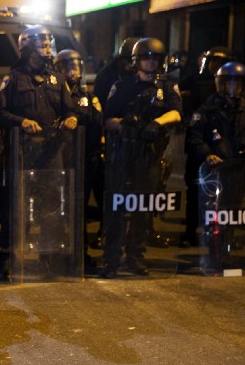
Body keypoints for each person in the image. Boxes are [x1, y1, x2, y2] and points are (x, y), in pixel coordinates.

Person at [0, 25, 78, 279]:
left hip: (52, 154)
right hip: (22, 154)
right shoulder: (13, 78)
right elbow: (0, 114)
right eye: (42, 43)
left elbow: (70, 110)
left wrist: (72, 119)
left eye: (48, 43)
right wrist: (22, 122)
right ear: (28, 46)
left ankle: (49, 258)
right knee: (16, 208)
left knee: (50, 207)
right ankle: (8, 260)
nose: (46, 47)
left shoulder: (57, 79)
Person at [100, 37, 182, 278]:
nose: (150, 62)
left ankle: (135, 258)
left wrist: (158, 122)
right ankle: (111, 259)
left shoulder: (167, 87)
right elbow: (107, 119)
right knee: (116, 208)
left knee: (142, 209)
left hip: (150, 156)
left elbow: (177, 113)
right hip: (122, 155)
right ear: (136, 61)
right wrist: (124, 125)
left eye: (154, 58)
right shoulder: (122, 86)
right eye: (146, 58)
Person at [186, 61, 245, 271]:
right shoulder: (207, 110)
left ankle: (231, 255)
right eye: (228, 83)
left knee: (235, 213)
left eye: (236, 84)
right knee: (217, 216)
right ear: (219, 83)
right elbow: (193, 137)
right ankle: (216, 256)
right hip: (217, 172)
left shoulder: (243, 109)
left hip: (239, 172)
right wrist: (207, 154)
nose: (232, 88)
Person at [179, 46, 234, 248]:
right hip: (199, 141)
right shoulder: (194, 81)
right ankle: (190, 232)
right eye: (213, 62)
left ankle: (222, 235)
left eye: (220, 63)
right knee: (195, 189)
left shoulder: (234, 83)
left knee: (227, 195)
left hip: (226, 145)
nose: (216, 67)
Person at [54, 48, 103, 266]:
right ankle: (56, 252)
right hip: (58, 159)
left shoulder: (88, 98)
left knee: (79, 208)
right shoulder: (52, 94)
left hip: (83, 159)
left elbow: (98, 124)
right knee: (58, 208)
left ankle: (80, 253)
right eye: (68, 66)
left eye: (76, 66)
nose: (73, 70)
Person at [93, 37, 139, 106]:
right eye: (128, 61)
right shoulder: (105, 77)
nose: (132, 65)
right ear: (121, 59)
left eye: (135, 61)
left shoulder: (147, 75)